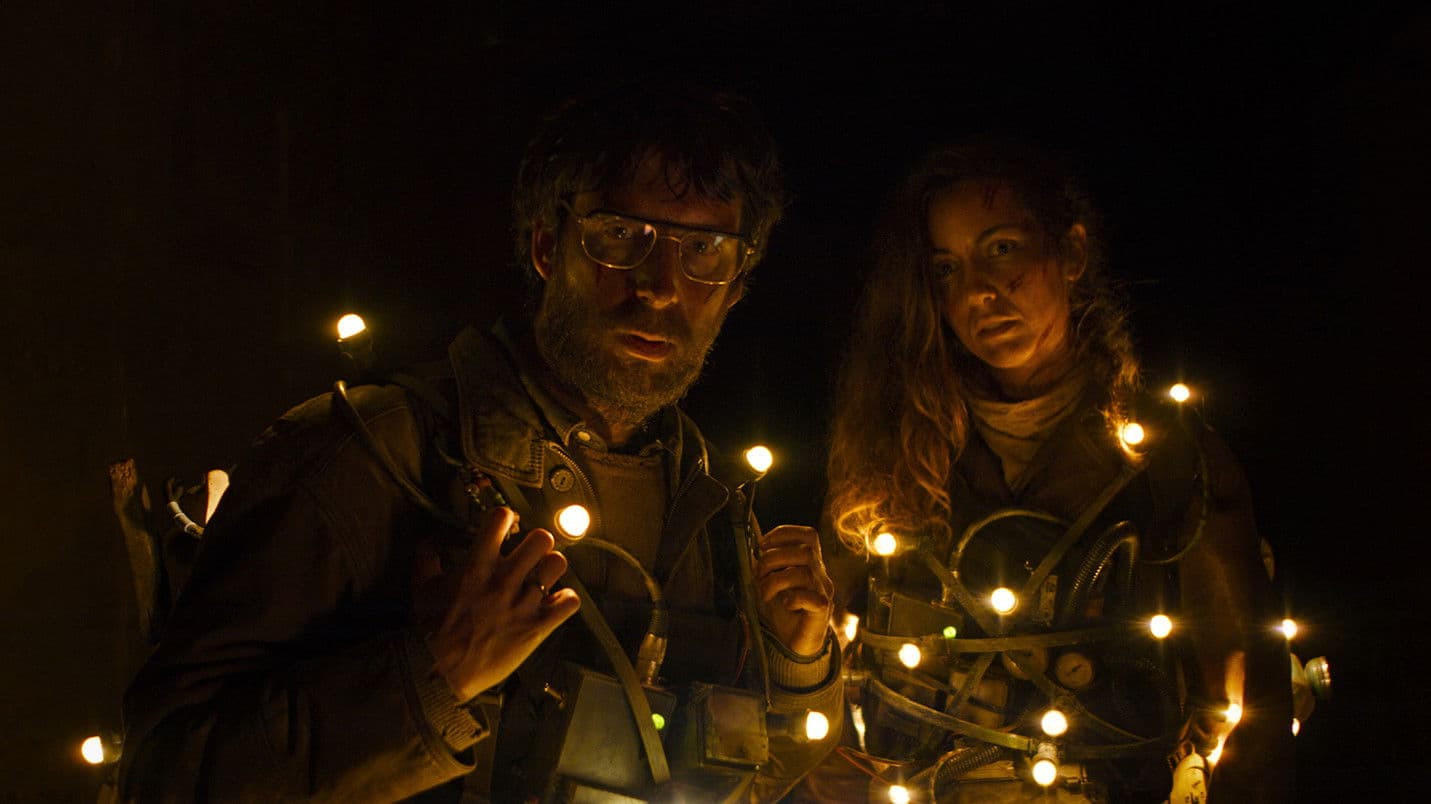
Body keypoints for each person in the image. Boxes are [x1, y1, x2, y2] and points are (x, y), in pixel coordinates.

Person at [117, 82, 843, 803]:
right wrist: (432, 679)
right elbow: (164, 776)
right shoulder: (364, 460)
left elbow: (736, 784)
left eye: (705, 250)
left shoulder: (710, 511)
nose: (660, 286)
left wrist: (799, 669)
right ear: (547, 245)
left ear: (736, 284)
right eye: (622, 235)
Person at [799, 139, 1293, 802]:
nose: (978, 291)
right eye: (946, 269)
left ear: (1072, 253)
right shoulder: (893, 452)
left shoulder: (1165, 459)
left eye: (1001, 248)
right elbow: (809, 640)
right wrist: (821, 748)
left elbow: (1248, 709)